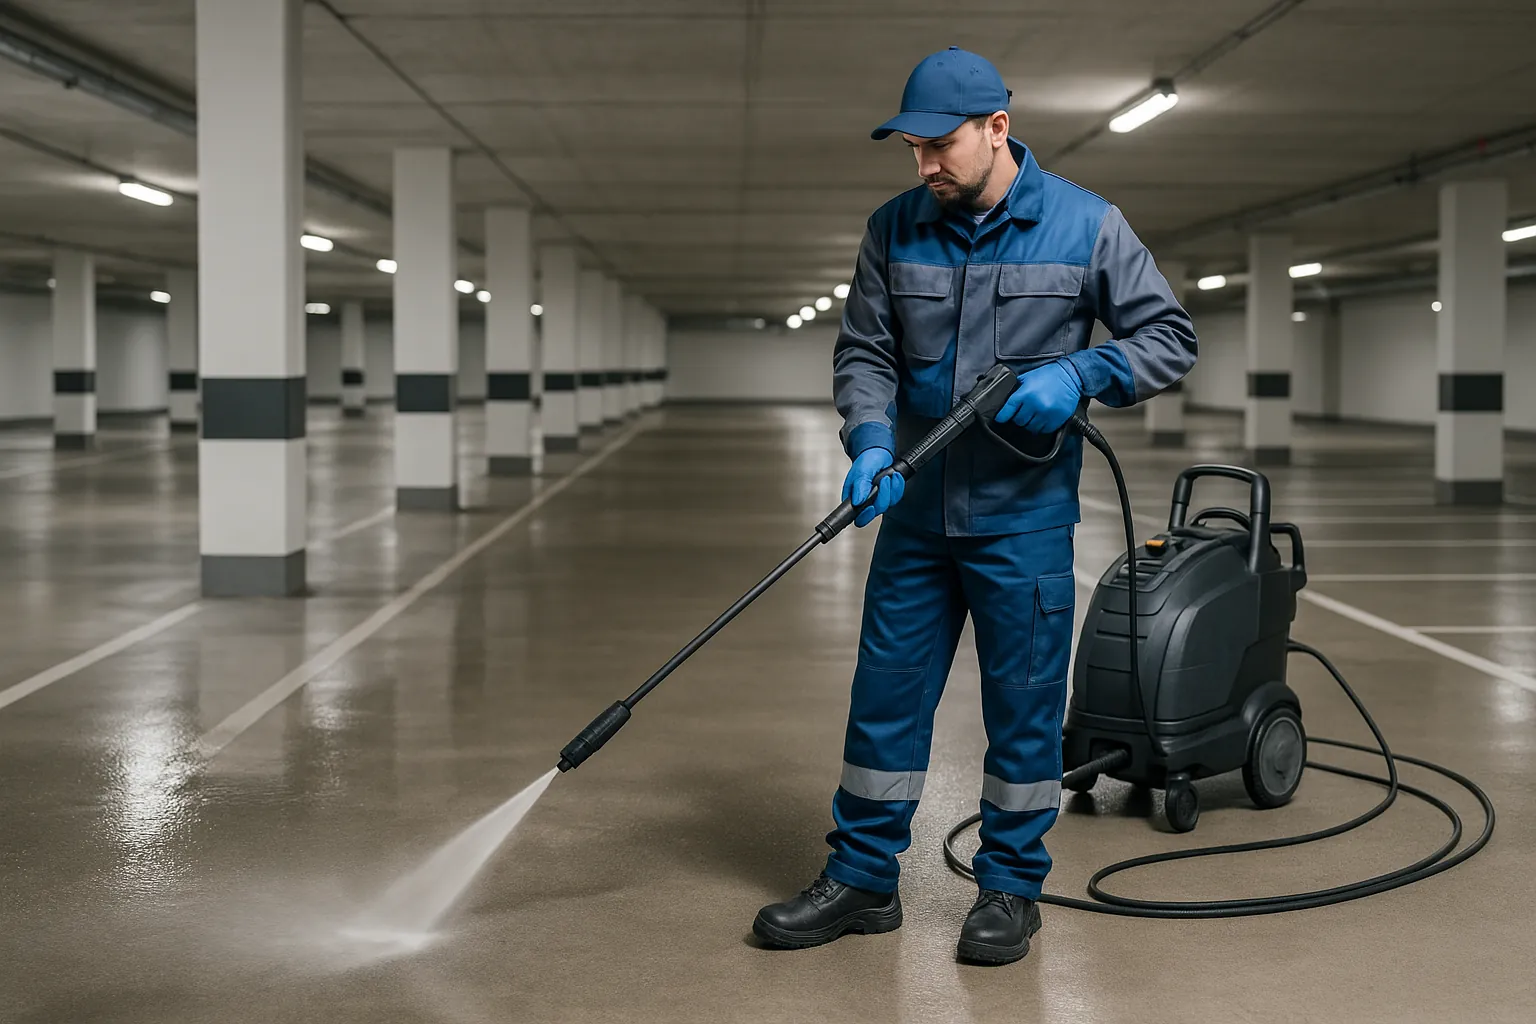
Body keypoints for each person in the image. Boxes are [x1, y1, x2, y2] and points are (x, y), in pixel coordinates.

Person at [751, 47, 1197, 966]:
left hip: (1024, 520)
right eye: (912, 149)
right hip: (913, 514)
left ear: (999, 127)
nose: (925, 166)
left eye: (940, 145)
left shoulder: (1087, 224)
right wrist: (871, 442)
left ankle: (1008, 890)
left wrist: (1082, 372)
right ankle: (865, 879)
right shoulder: (894, 228)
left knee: (1023, 709)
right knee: (884, 701)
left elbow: (1169, 337)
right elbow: (865, 351)